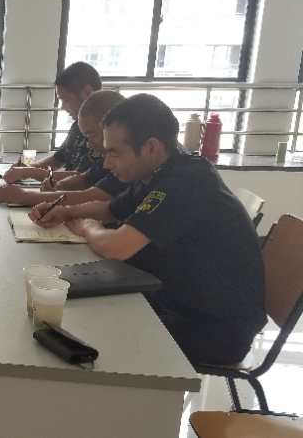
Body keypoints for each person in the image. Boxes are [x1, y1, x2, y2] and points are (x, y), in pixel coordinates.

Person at [32, 94, 266, 365]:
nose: (106, 164)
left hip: (214, 330)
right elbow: (109, 209)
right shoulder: (159, 172)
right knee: (81, 313)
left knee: (86, 330)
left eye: (114, 153)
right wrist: (66, 212)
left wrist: (87, 228)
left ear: (151, 147)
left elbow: (116, 247)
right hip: (179, 302)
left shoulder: (185, 181)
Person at [0, 90, 128, 206]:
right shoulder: (108, 158)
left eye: (91, 135)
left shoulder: (125, 165)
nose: (87, 144)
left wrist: (24, 196)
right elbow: (83, 178)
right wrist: (59, 185)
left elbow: (91, 196)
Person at [3, 61, 102, 185]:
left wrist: (29, 172)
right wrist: (28, 168)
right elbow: (58, 159)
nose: (63, 107)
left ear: (87, 93)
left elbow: (82, 179)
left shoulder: (106, 131)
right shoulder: (77, 126)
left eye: (66, 99)